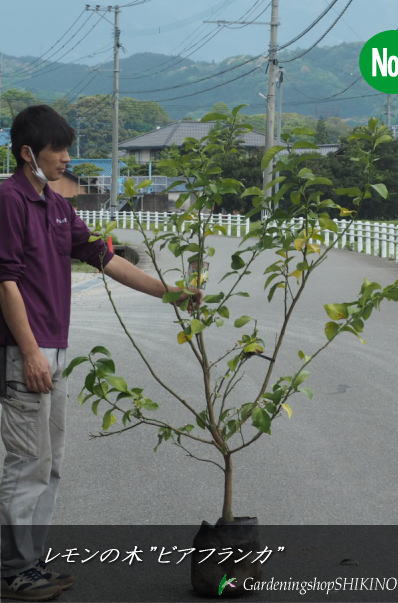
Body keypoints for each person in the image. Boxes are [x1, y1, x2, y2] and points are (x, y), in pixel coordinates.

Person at [0, 105, 201, 601]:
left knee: (50, 462)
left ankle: (29, 562)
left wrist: (168, 293)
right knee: (26, 461)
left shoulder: (58, 205)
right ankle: (12, 571)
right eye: (58, 150)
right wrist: (29, 352)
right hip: (23, 349)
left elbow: (104, 257)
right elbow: (4, 280)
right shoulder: (8, 201)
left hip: (56, 347)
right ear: (28, 153)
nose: (67, 158)